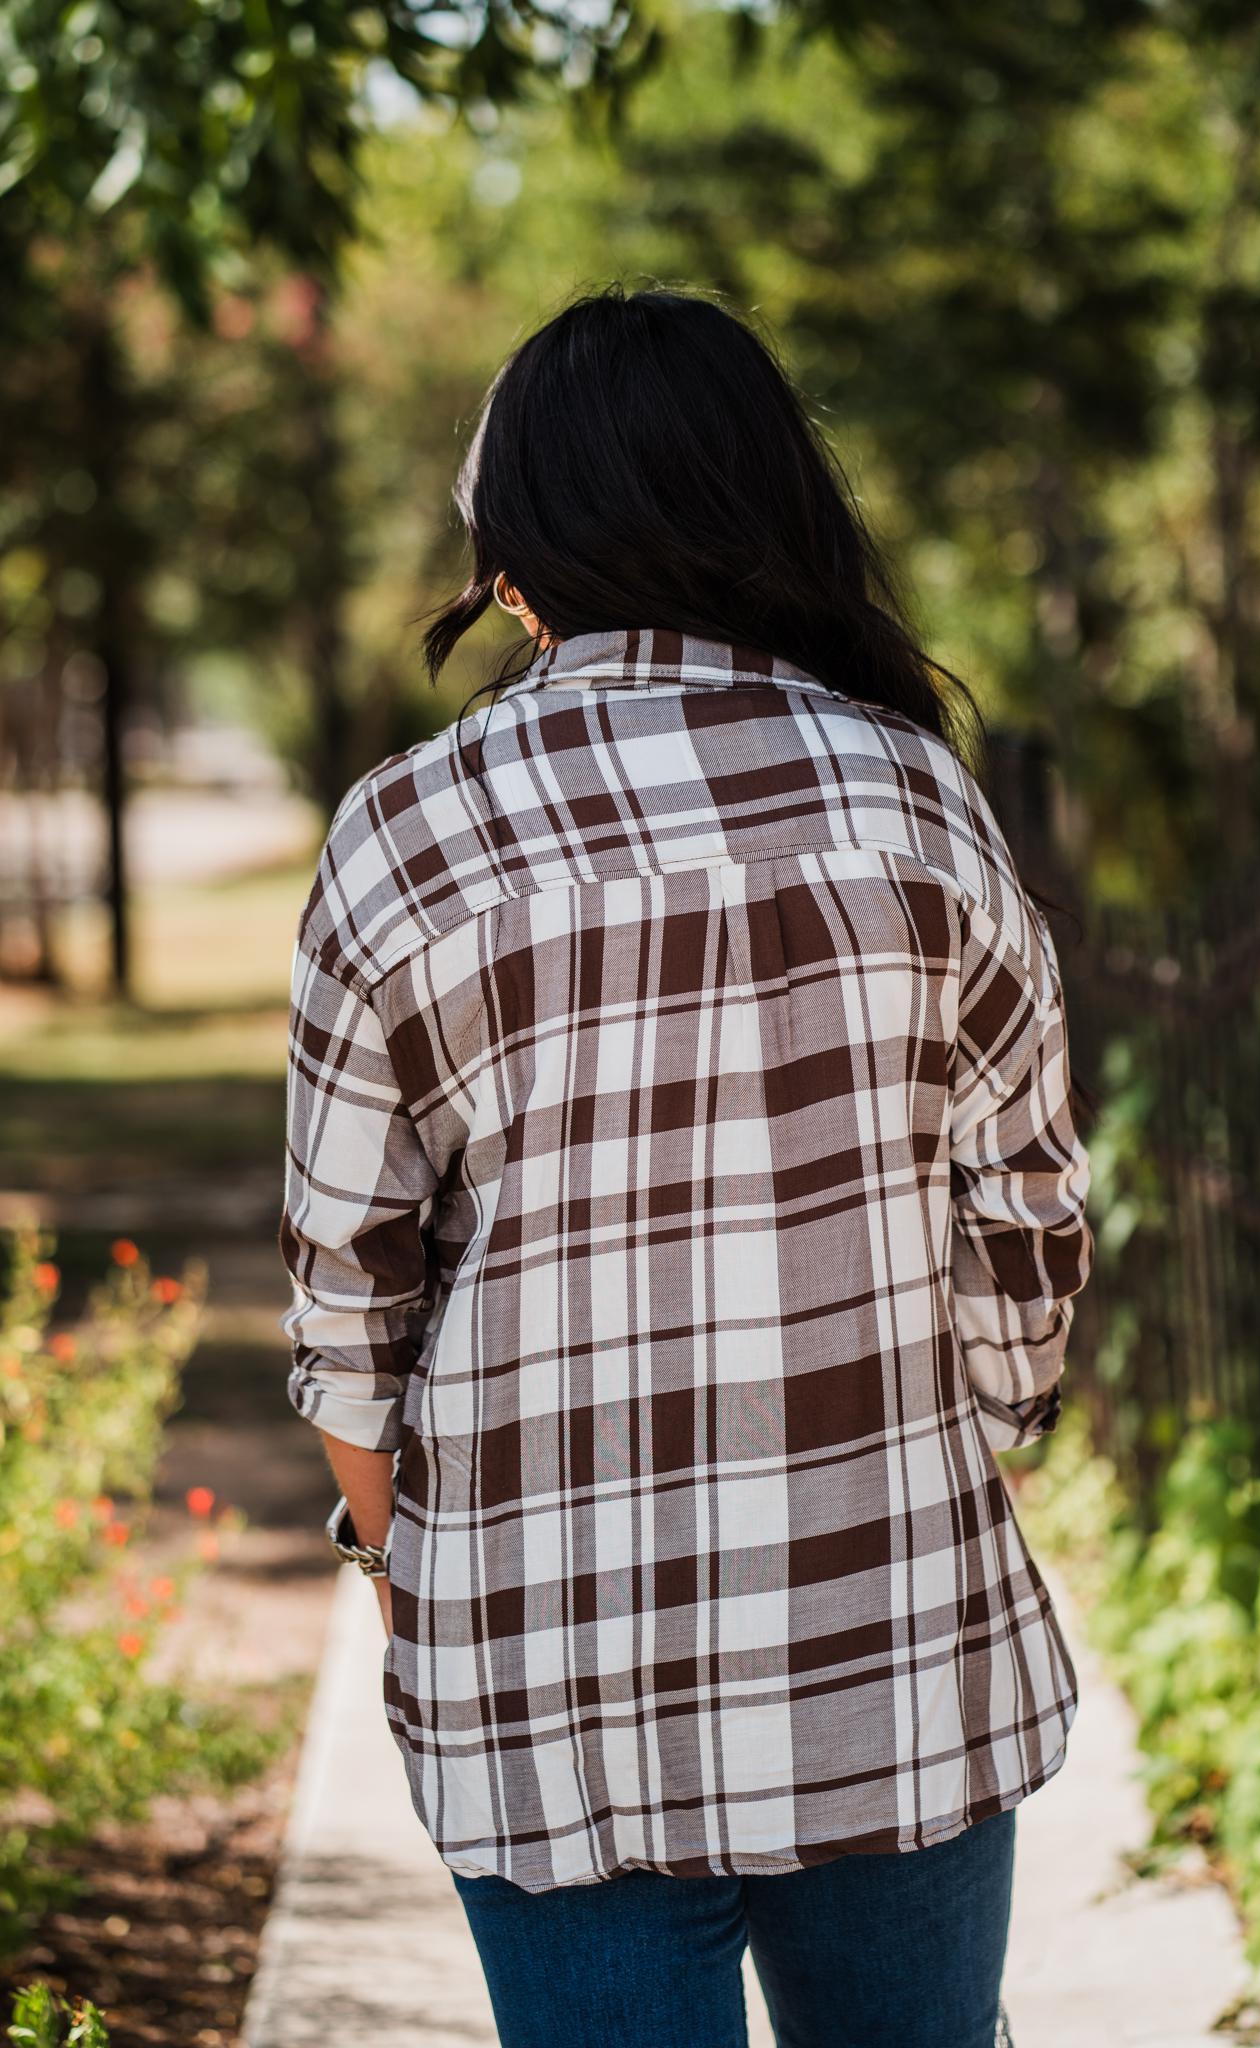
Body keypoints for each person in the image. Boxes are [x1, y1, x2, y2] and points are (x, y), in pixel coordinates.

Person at [278, 285, 1092, 2048]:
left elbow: (350, 1293)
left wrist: (394, 1550)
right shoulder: (913, 797)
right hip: (888, 1639)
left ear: (519, 556)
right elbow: (1025, 1208)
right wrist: (983, 1445)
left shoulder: (403, 835)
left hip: (546, 1672)